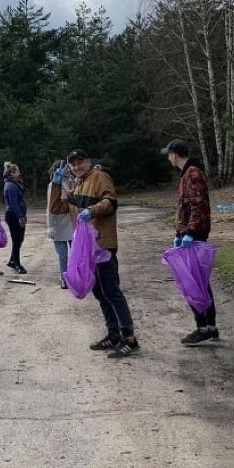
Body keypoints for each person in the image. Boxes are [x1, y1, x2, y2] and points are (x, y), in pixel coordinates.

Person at [50, 149, 140, 358]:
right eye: (72, 164)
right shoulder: (77, 185)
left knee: (111, 291)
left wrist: (92, 210)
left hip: (103, 245)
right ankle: (113, 335)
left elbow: (110, 202)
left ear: (88, 161)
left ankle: (129, 338)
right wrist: (56, 185)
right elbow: (56, 208)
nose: (76, 166)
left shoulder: (99, 177)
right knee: (99, 292)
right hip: (88, 249)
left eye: (80, 162)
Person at [162, 139, 218, 345]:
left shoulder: (192, 173)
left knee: (193, 282)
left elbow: (198, 205)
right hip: (189, 234)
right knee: (199, 281)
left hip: (194, 235)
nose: (168, 158)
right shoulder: (188, 173)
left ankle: (203, 327)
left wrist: (190, 232)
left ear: (175, 154)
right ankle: (210, 326)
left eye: (168, 155)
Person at [46, 160, 74, 289]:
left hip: (72, 224)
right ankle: (64, 278)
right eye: (65, 168)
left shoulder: (72, 182)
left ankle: (76, 276)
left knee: (76, 253)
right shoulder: (54, 185)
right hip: (58, 225)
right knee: (63, 255)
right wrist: (50, 225)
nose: (68, 170)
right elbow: (51, 207)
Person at [3, 161, 28, 274]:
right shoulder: (10, 186)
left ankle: (12, 260)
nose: (19, 172)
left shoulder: (15, 184)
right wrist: (20, 216)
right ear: (12, 173)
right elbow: (13, 204)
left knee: (19, 239)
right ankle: (16, 264)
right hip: (13, 216)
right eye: (17, 171)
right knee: (16, 240)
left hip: (18, 214)